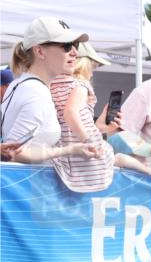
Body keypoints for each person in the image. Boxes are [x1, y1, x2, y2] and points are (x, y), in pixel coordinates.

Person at [49, 41, 151, 191]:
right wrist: (88, 140)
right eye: (92, 67)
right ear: (83, 64)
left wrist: (99, 126)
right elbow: (70, 113)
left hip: (63, 153)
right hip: (84, 152)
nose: (92, 73)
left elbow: (65, 121)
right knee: (115, 157)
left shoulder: (51, 85)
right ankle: (147, 169)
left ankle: (145, 168)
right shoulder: (80, 86)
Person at [1, 17, 103, 164]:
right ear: (40, 52)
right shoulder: (36, 91)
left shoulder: (21, 84)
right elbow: (14, 153)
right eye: (67, 45)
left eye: (75, 45)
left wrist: (99, 127)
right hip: (29, 184)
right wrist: (70, 150)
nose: (75, 52)